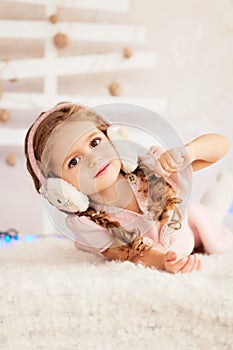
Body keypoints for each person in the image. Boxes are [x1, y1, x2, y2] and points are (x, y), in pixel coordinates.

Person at [24, 102, 233, 274]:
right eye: (74, 161)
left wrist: (190, 152)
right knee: (212, 206)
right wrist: (164, 262)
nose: (93, 159)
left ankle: (225, 184)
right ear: (61, 189)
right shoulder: (90, 224)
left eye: (95, 143)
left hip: (193, 224)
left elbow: (221, 145)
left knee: (212, 210)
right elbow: (131, 254)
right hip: (177, 245)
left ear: (115, 139)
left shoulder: (152, 169)